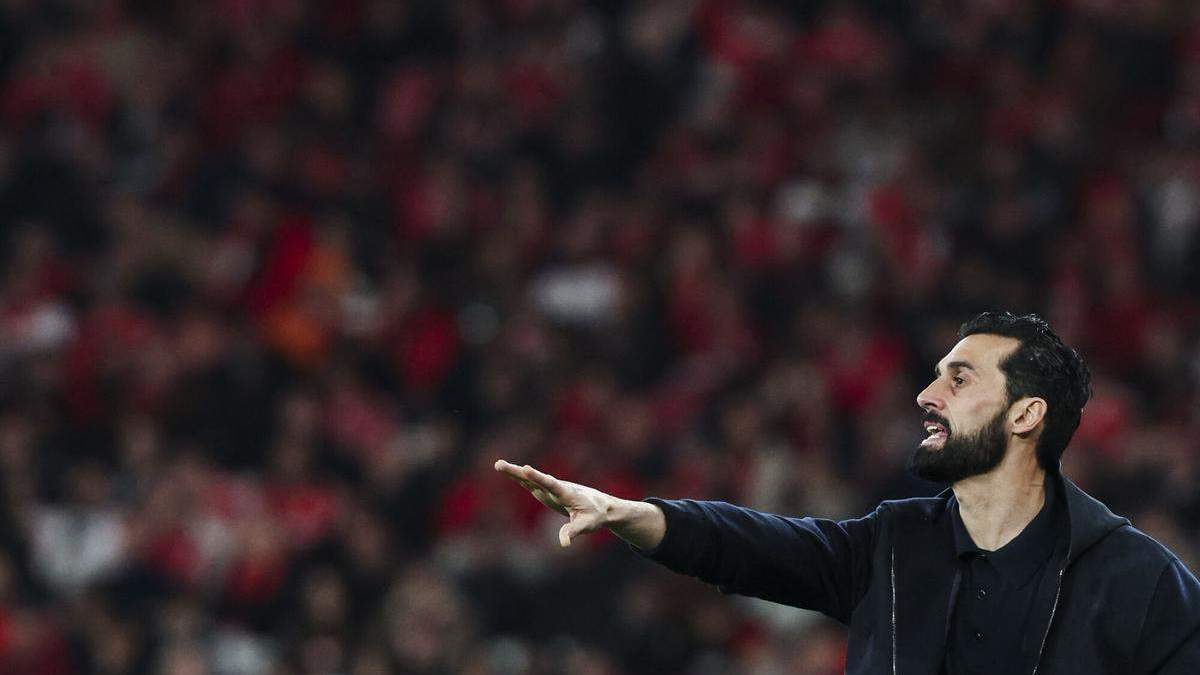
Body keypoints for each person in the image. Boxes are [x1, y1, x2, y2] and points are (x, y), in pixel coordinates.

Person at [496, 311, 1200, 674]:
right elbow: (750, 548)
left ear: (1026, 414)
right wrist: (628, 513)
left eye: (959, 379)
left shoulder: (1140, 583)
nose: (927, 396)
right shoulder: (892, 547)